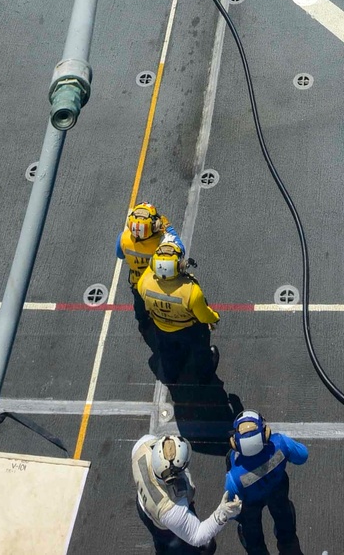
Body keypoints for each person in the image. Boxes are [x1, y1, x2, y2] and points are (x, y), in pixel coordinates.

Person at [131, 432, 240, 552]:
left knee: (160, 542)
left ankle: (161, 548)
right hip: (167, 528)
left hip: (143, 507)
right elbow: (197, 537)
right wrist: (223, 513)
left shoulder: (142, 446)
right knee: (197, 549)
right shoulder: (172, 509)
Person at [136, 239, 220, 385]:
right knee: (201, 352)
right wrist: (215, 317)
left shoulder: (143, 283)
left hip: (162, 328)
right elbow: (204, 316)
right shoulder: (191, 292)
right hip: (190, 330)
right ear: (179, 266)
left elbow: (151, 268)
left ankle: (171, 375)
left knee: (167, 354)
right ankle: (204, 375)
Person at [224, 412, 308, 555]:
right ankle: (287, 542)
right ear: (266, 433)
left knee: (252, 534)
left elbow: (231, 508)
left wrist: (240, 517)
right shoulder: (281, 444)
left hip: (251, 503)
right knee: (285, 519)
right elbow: (302, 455)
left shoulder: (234, 477)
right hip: (277, 489)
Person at [117, 203, 184, 327]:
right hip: (156, 284)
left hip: (137, 283)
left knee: (139, 306)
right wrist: (169, 228)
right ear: (154, 227)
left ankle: (142, 322)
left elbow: (120, 255)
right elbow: (180, 250)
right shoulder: (162, 241)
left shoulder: (123, 238)